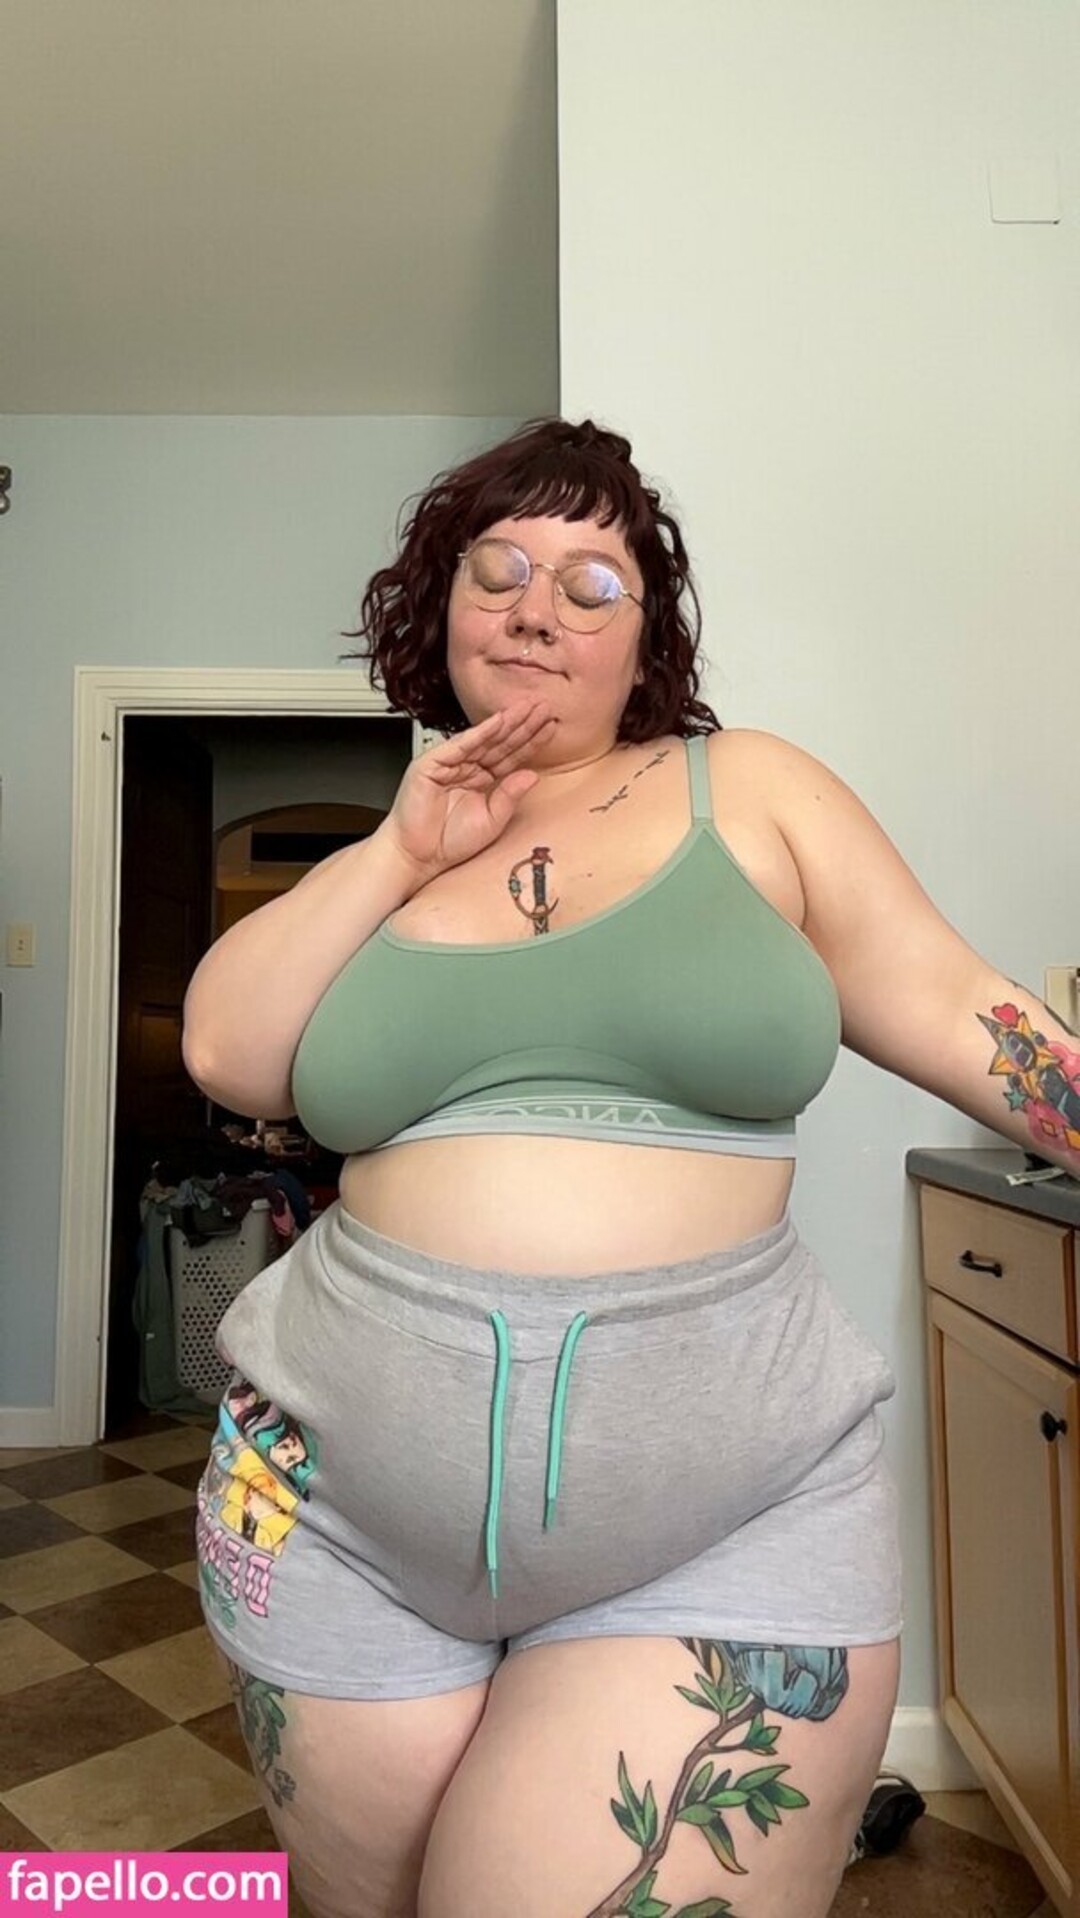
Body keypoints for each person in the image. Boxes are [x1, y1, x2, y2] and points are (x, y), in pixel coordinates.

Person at [183, 418, 1079, 1918]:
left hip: (721, 1522)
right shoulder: (390, 852)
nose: (538, 607)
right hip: (327, 1517)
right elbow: (228, 1050)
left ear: (645, 634)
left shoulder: (754, 791)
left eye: (590, 582)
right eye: (499, 569)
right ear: (440, 607)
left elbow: (970, 1014)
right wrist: (401, 849)